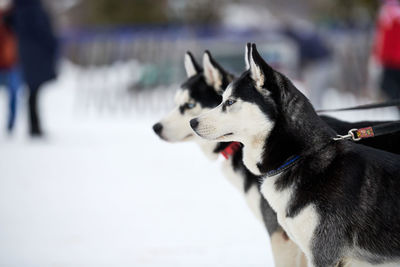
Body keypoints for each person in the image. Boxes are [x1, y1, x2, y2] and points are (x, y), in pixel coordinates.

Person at [10, 0, 58, 137]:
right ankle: (34, 126)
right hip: (37, 54)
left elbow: (12, 25)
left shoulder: (18, 9)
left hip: (25, 53)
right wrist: (53, 44)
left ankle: (33, 125)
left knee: (32, 91)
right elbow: (42, 30)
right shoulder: (33, 8)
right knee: (34, 92)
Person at [373, 0, 400, 105]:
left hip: (393, 61)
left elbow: (386, 41)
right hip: (390, 60)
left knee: (386, 86)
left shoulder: (390, 16)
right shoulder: (388, 16)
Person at [0, 0, 21, 133]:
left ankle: (11, 124)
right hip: (4, 63)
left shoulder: (16, 18)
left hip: (13, 64)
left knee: (13, 94)